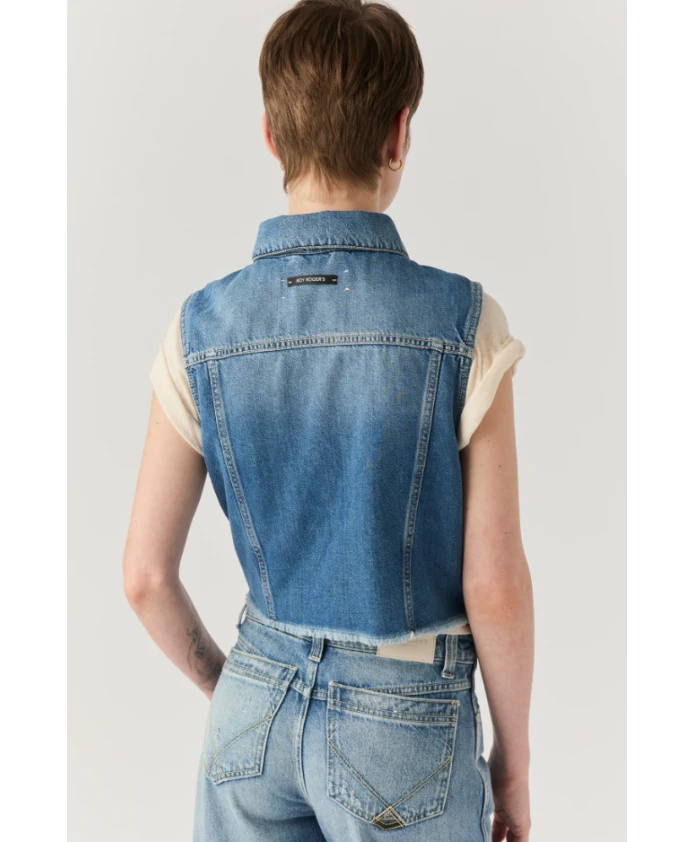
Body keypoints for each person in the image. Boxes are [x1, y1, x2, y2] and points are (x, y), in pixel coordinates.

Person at [122, 1, 534, 839]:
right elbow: (493, 585)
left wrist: (239, 691)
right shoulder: (462, 322)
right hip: (404, 726)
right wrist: (512, 762)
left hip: (252, 702)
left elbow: (144, 578)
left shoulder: (199, 329)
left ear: (271, 136)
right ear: (398, 134)